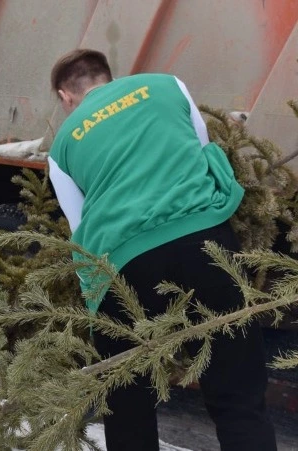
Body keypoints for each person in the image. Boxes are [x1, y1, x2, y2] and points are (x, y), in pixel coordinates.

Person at [47, 49, 276, 450]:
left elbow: (82, 232)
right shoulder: (167, 86)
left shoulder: (63, 145)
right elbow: (204, 153)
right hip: (206, 244)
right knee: (237, 388)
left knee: (127, 399)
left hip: (126, 267)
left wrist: (101, 312)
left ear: (66, 96)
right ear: (108, 77)